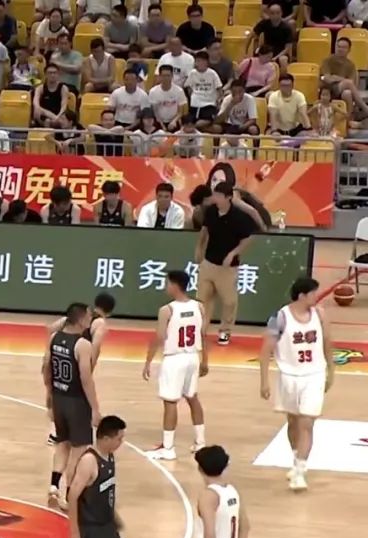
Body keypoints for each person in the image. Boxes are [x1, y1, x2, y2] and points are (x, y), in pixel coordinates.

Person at [258, 277, 334, 492]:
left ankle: (300, 471)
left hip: (314, 374)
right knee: (292, 422)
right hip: (288, 376)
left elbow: (327, 342)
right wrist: (264, 381)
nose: (317, 297)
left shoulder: (320, 315)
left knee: (307, 423)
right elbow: (265, 350)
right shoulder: (280, 318)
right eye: (313, 293)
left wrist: (331, 370)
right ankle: (295, 459)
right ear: (302, 295)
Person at [143, 270, 207, 460]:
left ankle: (168, 448)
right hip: (193, 357)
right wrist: (205, 360)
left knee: (170, 402)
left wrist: (148, 361)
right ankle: (200, 442)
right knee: (192, 398)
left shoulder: (167, 310)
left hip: (174, 359)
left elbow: (159, 337)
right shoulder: (199, 306)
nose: (165, 286)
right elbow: (203, 335)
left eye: (167, 283)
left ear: (174, 285)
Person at [43, 303, 102, 509]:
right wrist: (95, 408)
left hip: (59, 398)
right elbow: (86, 379)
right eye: (88, 316)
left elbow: (46, 369)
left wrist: (49, 398)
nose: (90, 320)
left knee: (62, 444)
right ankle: (70, 496)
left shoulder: (54, 338)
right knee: (78, 451)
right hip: (76, 402)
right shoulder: (83, 344)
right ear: (80, 319)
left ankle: (53, 487)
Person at [195, 181, 256, 346]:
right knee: (202, 299)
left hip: (228, 268)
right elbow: (204, 231)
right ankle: (200, 330)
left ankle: (225, 331)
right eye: (214, 195)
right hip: (209, 263)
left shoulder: (239, 217)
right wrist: (199, 248)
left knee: (229, 301)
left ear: (228, 197)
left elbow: (248, 238)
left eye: (219, 195)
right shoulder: (211, 212)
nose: (215, 198)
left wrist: (233, 253)